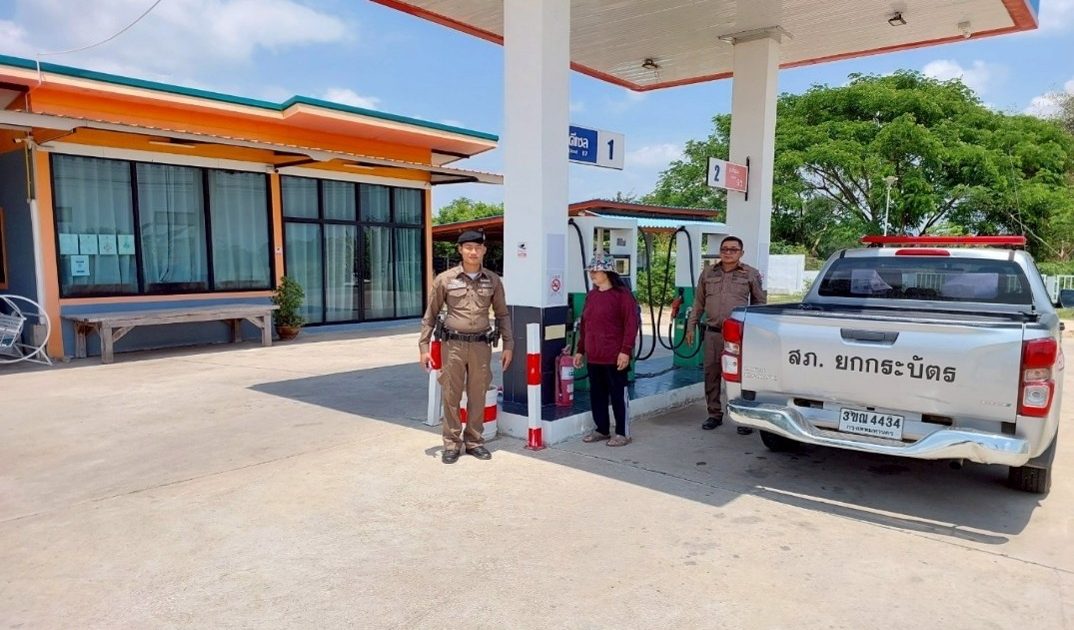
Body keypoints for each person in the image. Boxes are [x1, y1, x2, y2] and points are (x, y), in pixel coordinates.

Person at [419, 230, 513, 464]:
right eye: (468, 247)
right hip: (453, 345)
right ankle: (451, 443)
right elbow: (430, 315)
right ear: (460, 250)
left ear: (484, 250)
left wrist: (508, 344)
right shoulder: (445, 279)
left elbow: (502, 314)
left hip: (481, 345)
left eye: (478, 248)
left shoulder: (493, 280)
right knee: (451, 394)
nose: (473, 252)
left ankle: (474, 441)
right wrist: (424, 347)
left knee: (478, 394)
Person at [684, 236, 766, 434]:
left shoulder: (751, 274)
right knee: (711, 374)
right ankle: (714, 414)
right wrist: (690, 326)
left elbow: (759, 304)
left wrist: (757, 333)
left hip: (738, 336)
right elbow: (698, 303)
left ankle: (744, 417)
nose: (728, 253)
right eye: (724, 249)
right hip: (713, 334)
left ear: (741, 253)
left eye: (733, 249)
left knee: (740, 377)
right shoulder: (708, 273)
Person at [573, 252, 640, 447]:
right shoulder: (592, 296)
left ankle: (622, 432)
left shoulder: (622, 296)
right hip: (594, 356)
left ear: (608, 272)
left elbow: (631, 324)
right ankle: (601, 429)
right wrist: (580, 350)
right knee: (597, 394)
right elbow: (585, 325)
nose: (592, 274)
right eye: (591, 270)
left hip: (615, 356)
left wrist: (625, 350)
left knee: (618, 394)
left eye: (596, 270)